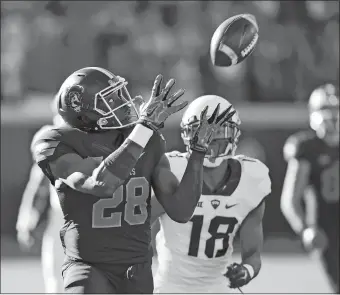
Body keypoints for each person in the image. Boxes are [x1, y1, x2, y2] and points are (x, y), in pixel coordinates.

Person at [31, 67, 230, 293]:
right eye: (111, 99)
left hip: (137, 270)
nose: (123, 103)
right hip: (89, 266)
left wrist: (198, 152)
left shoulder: (148, 139)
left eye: (120, 95)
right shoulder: (57, 141)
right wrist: (143, 130)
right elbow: (101, 184)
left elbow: (181, 210)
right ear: (83, 111)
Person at [151, 95, 271, 293]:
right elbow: (138, 230)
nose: (211, 140)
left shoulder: (251, 179)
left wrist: (246, 271)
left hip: (218, 288)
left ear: (234, 134)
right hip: (171, 287)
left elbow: (253, 254)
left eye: (219, 132)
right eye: (203, 133)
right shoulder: (173, 170)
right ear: (187, 135)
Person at [281, 84, 339, 293]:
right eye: (327, 111)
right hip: (328, 232)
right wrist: (305, 228)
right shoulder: (307, 148)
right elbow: (290, 199)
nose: (333, 117)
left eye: (336, 110)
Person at [17, 114, 65, 293]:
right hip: (63, 220)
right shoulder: (52, 141)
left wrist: (26, 221)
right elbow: (38, 187)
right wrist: (27, 219)